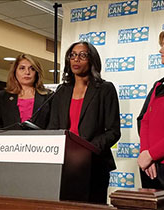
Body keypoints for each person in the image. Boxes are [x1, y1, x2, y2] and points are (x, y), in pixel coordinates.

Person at [47, 41, 121, 204]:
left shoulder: (105, 89)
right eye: (72, 55)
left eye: (82, 55)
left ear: (92, 59)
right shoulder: (61, 91)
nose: (76, 59)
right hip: (64, 166)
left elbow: (113, 131)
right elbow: (53, 128)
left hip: (94, 164)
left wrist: (87, 150)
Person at [137, 28, 164, 199]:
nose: (160, 50)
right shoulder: (160, 85)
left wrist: (152, 154)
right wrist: (145, 154)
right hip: (150, 165)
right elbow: (145, 120)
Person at [0, 54, 52, 130]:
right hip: (9, 141)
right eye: (22, 68)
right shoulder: (2, 97)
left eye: (32, 69)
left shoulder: (48, 97)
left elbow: (52, 125)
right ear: (15, 72)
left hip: (41, 140)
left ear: (37, 73)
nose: (27, 72)